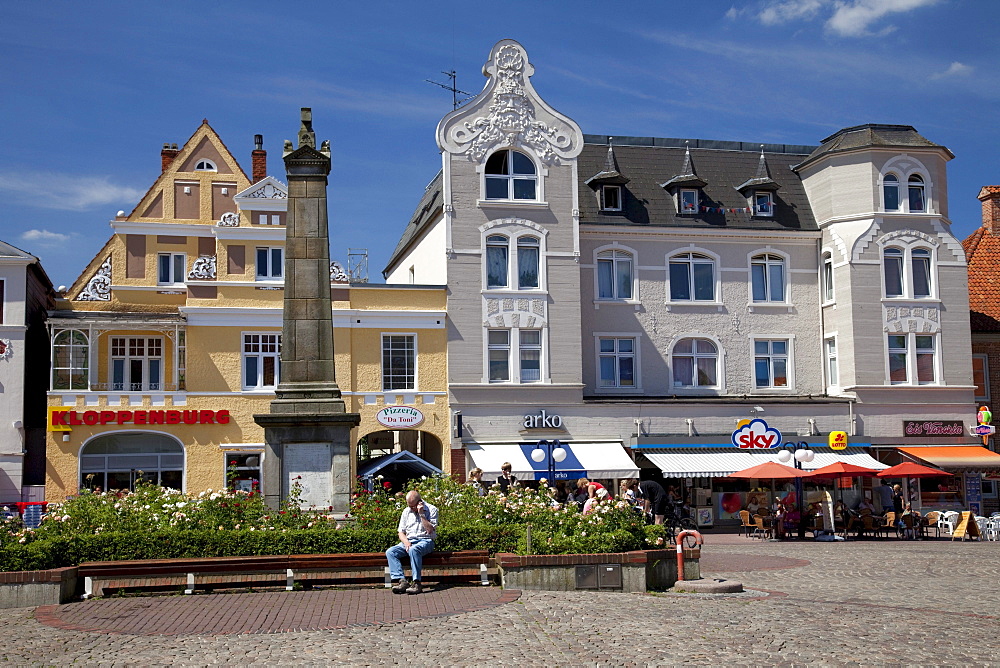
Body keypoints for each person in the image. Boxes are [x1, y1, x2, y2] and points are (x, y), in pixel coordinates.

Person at [386, 490, 439, 595]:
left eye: (413, 506)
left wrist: (421, 514)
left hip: (426, 541)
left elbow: (430, 530)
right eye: (409, 506)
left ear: (420, 502)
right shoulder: (406, 511)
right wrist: (406, 542)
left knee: (414, 550)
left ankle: (417, 583)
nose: (411, 508)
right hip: (409, 541)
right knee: (390, 552)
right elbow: (401, 532)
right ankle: (401, 581)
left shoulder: (432, 509)